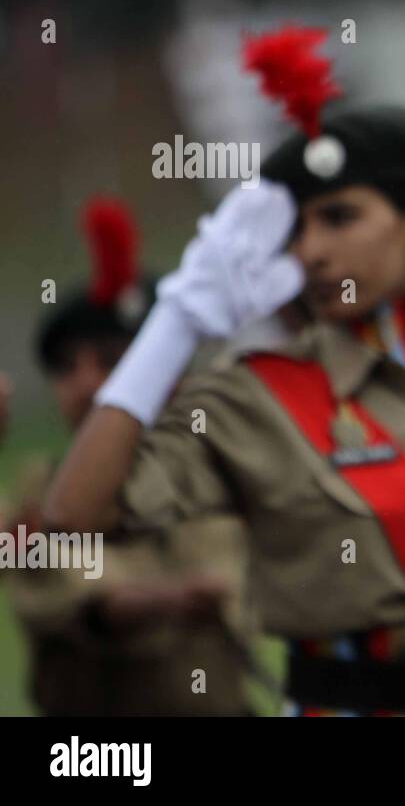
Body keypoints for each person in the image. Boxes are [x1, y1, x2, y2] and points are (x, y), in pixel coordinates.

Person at [44, 26, 405, 716]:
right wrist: (176, 322)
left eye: (339, 217)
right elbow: (75, 514)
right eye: (298, 229)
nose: (310, 251)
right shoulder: (252, 392)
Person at [1, 196, 258, 716]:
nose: (89, 383)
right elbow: (84, 603)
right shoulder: (42, 494)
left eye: (117, 361)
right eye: (68, 367)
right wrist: (177, 598)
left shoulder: (218, 469)